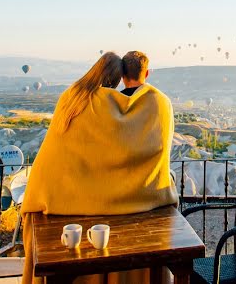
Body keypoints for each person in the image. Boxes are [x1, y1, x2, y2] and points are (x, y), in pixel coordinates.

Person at [20, 51, 177, 284]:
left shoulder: (72, 98)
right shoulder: (157, 102)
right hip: (134, 213)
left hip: (56, 199)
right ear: (144, 73)